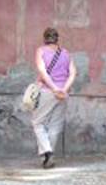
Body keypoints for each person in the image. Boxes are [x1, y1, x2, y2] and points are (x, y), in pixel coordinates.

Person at [31, 26, 76, 168]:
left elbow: (43, 72)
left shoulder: (41, 51)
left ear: (45, 39)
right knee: (55, 125)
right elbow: (73, 73)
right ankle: (47, 156)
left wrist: (54, 88)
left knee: (38, 123)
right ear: (57, 39)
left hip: (47, 91)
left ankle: (48, 153)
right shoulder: (66, 53)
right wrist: (64, 89)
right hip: (63, 93)